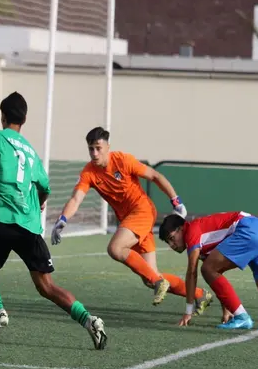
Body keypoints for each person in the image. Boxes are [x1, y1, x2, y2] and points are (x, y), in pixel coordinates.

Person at [0, 92, 107, 350]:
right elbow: (45, 187)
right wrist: (40, 202)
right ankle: (90, 321)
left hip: (3, 222)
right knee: (46, 286)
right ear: (25, 119)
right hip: (30, 227)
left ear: (3, 116)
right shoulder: (31, 152)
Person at [50, 127, 213, 313]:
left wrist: (175, 200)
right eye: (91, 149)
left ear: (108, 147)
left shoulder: (123, 160)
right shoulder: (89, 172)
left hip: (142, 211)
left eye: (98, 148)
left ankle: (158, 282)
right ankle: (200, 294)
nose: (94, 153)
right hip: (129, 220)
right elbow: (76, 199)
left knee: (115, 248)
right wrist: (63, 219)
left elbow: (155, 176)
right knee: (150, 277)